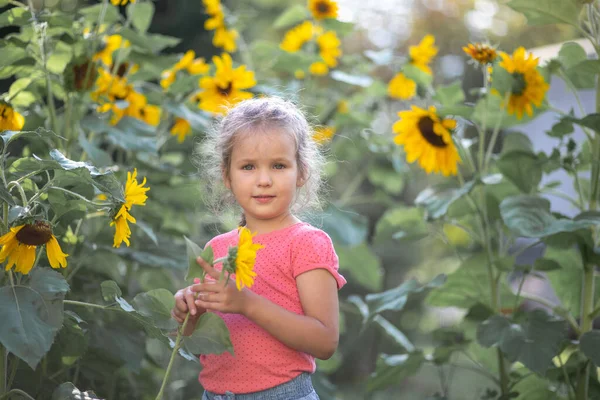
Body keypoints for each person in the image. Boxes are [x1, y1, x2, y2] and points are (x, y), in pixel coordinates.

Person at [171, 96, 346, 400]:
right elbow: (194, 342)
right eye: (248, 166)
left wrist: (247, 304)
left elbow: (325, 341)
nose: (263, 180)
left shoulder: (307, 243)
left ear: (301, 172)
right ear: (227, 176)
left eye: (279, 165)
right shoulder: (218, 248)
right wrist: (188, 315)